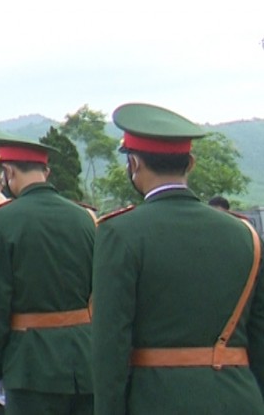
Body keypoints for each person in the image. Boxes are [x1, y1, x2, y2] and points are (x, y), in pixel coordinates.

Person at [92, 103, 264, 415]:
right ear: (191, 163)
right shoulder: (246, 236)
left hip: (156, 400)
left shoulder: (119, 233)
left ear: (133, 164)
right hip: (240, 399)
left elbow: (111, 346)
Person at [0, 131, 96, 413]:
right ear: (46, 171)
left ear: (7, 172)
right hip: (84, 357)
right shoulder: (83, 218)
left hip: (29, 364)